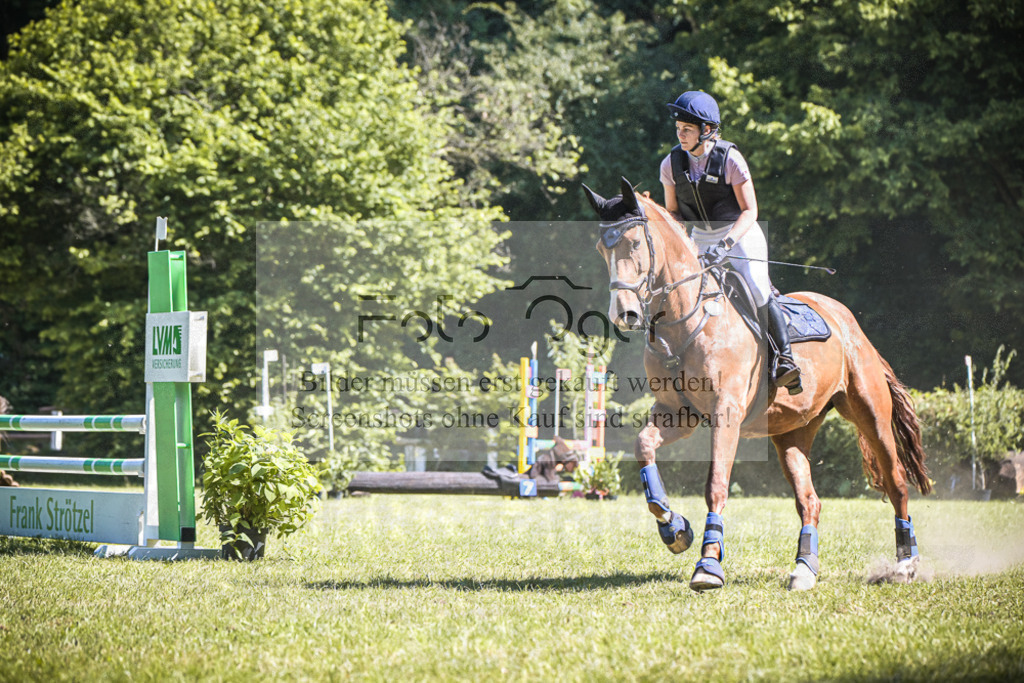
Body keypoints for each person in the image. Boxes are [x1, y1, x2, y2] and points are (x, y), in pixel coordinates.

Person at [659, 90, 801, 394]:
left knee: (756, 284)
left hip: (739, 232)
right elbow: (672, 213)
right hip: (698, 236)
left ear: (706, 130)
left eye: (687, 129)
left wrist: (725, 246)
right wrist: (684, 246)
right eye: (678, 129)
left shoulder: (730, 159)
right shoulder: (670, 164)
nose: (680, 135)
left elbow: (751, 210)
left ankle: (786, 359)